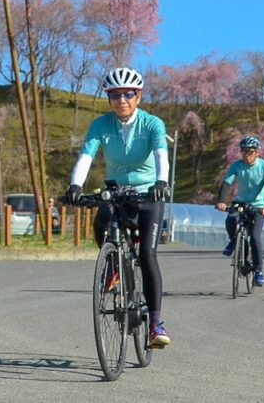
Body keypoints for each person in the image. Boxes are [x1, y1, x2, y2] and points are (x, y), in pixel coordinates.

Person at [63, 66, 173, 348]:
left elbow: (162, 155)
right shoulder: (101, 125)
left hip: (149, 195)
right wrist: (75, 185)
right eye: (115, 95)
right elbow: (87, 156)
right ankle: (113, 263)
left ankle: (156, 323)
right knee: (102, 219)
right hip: (116, 191)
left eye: (127, 94)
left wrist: (161, 181)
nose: (121, 100)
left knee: (147, 254)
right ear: (109, 98)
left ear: (138, 96)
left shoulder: (152, 124)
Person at [218, 135, 264, 286]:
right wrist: (222, 201)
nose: (246, 155)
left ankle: (258, 271)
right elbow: (226, 183)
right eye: (243, 151)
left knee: (255, 237)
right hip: (241, 202)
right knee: (231, 219)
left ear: (257, 152)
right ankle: (233, 241)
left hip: (258, 206)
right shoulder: (237, 165)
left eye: (250, 152)